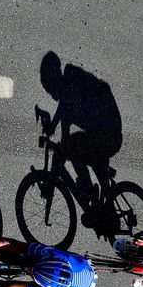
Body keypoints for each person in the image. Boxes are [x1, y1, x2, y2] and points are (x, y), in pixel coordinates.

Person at [39, 52, 122, 212]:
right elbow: (64, 109)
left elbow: (64, 109)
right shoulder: (69, 84)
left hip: (109, 135)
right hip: (106, 133)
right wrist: (54, 127)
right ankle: (95, 194)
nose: (52, 95)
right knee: (74, 145)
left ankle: (91, 191)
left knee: (73, 146)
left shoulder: (71, 79)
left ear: (55, 78)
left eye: (50, 90)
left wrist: (54, 128)